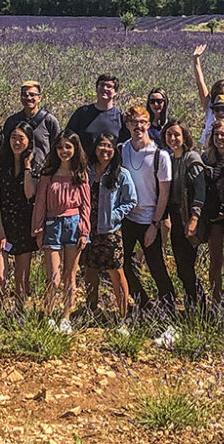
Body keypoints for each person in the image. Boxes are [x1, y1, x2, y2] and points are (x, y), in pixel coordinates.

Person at [31, 130, 90, 331]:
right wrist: (38, 229)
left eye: (68, 147)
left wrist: (84, 230)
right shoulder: (48, 174)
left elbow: (86, 206)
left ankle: (65, 317)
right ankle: (48, 314)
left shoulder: (80, 174)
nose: (64, 151)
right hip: (52, 225)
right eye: (60, 147)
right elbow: (40, 203)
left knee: (70, 276)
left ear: (75, 149)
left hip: (73, 224)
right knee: (53, 278)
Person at [120, 105, 175, 314]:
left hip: (148, 218)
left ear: (148, 124)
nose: (138, 126)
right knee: (122, 262)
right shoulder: (121, 150)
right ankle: (142, 302)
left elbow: (164, 193)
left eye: (142, 122)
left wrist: (155, 223)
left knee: (155, 265)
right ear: (127, 125)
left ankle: (169, 306)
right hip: (127, 218)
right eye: (133, 122)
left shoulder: (160, 155)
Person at [83, 134, 136, 318]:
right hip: (88, 229)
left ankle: (123, 315)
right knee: (90, 270)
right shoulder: (87, 171)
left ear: (114, 150)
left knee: (116, 271)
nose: (104, 150)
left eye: (109, 146)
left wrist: (115, 216)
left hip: (110, 230)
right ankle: (91, 310)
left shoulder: (121, 174)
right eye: (101, 145)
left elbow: (131, 200)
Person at [0, 121, 38, 306]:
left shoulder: (34, 165)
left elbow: (29, 194)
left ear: (29, 141)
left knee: (22, 277)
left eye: (21, 138)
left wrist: (27, 167)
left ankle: (19, 312)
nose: (16, 142)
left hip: (24, 223)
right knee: (0, 274)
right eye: (13, 137)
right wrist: (0, 231)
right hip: (2, 223)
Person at [162, 120, 206, 308]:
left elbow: (200, 189)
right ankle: (193, 304)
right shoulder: (170, 159)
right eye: (169, 134)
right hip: (176, 219)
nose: (173, 138)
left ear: (185, 136)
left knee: (186, 266)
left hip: (189, 219)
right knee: (182, 267)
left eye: (177, 135)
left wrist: (195, 217)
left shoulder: (192, 158)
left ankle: (199, 305)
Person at [201, 119, 224, 302]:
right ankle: (216, 299)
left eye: (223, 134)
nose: (220, 138)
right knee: (216, 260)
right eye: (216, 134)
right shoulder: (206, 158)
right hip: (214, 217)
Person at [66, 74, 129, 158]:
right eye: (102, 85)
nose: (105, 88)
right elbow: (68, 138)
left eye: (109, 86)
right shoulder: (82, 113)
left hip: (110, 167)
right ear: (96, 89)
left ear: (115, 92)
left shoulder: (120, 116)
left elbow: (126, 144)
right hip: (84, 167)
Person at [1, 81, 60, 168]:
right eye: (25, 94)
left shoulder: (49, 121)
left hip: (42, 173)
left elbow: (57, 147)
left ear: (39, 97)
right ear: (20, 98)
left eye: (32, 95)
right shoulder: (12, 121)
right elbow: (5, 147)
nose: (28, 98)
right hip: (16, 171)